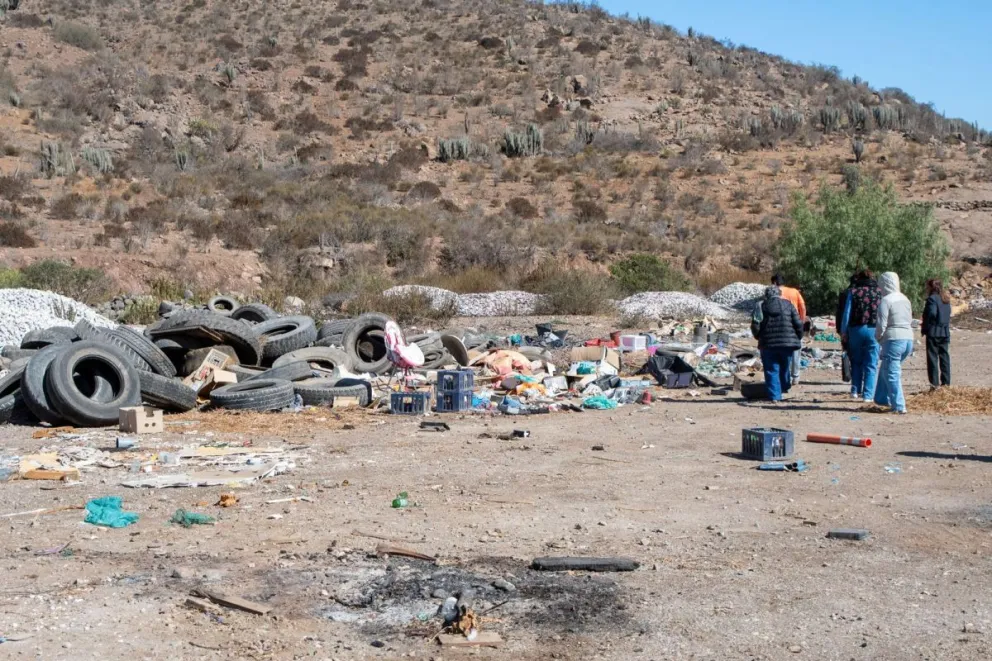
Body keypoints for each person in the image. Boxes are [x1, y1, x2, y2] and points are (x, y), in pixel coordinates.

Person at [751, 285, 803, 402]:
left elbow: (755, 324)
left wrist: (758, 336)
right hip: (787, 344)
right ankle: (784, 387)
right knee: (785, 367)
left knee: (771, 369)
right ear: (780, 294)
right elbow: (798, 323)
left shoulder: (761, 306)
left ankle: (775, 396)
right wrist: (797, 337)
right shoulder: (788, 305)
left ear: (766, 295)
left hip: (768, 344)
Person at [873, 272, 914, 414]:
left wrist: (878, 338)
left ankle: (899, 405)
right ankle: (881, 398)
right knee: (886, 368)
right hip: (908, 339)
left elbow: (881, 323)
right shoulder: (905, 299)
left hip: (893, 339)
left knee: (892, 373)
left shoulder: (886, 301)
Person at [840, 270, 882, 402]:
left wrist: (843, 332)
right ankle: (868, 395)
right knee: (871, 362)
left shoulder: (854, 291)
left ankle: (855, 390)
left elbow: (847, 312)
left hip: (856, 329)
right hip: (873, 329)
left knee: (856, 361)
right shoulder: (879, 292)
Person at [771, 274, 807, 384]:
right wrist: (801, 321)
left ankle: (784, 377)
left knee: (781, 353)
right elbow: (803, 307)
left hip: (779, 326)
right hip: (795, 325)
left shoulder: (774, 293)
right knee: (796, 351)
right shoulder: (794, 291)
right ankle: (795, 376)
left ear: (774, 283)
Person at [922, 278, 951, 388]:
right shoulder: (945, 299)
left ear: (930, 287)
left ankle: (934, 385)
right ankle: (946, 383)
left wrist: (926, 326)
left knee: (932, 358)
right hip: (945, 331)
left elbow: (932, 313)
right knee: (944, 358)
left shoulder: (932, 299)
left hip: (934, 332)